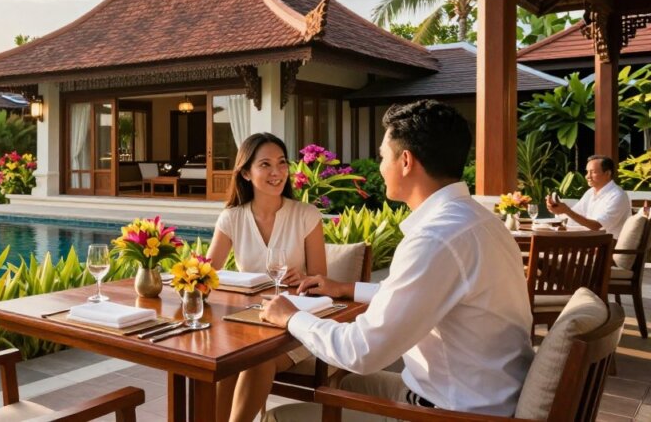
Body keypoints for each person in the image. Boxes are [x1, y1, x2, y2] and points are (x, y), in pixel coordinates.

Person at [260, 100, 534, 420]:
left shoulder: (435, 238)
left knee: (282, 416)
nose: (380, 167)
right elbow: (423, 291)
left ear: (405, 161)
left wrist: (291, 317)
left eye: (382, 156)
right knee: (346, 384)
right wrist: (346, 288)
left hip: (453, 412)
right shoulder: (480, 221)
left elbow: (361, 351)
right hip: (490, 394)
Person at [206, 132, 327, 422]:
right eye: (265, 164)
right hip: (246, 324)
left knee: (256, 361)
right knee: (224, 362)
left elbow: (322, 280)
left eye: (282, 162)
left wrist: (305, 277)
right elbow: (206, 274)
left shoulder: (306, 215)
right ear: (246, 173)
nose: (277, 172)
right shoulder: (232, 218)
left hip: (293, 327)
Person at [546, 155, 631, 238]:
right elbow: (574, 216)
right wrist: (558, 209)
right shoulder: (590, 192)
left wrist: (567, 211)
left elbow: (596, 226)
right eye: (587, 172)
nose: (587, 176)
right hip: (589, 241)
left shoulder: (617, 196)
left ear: (608, 173)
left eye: (593, 172)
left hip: (608, 244)